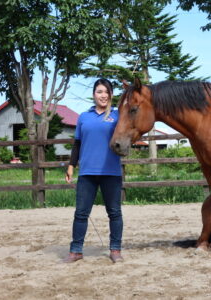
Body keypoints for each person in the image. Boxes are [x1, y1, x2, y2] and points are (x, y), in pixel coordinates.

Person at [64, 78, 124, 263]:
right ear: (93, 95)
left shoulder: (118, 116)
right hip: (87, 173)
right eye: (99, 91)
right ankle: (76, 251)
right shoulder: (84, 117)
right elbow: (77, 144)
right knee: (81, 213)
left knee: (114, 213)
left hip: (111, 172)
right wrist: (71, 166)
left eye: (106, 92)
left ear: (111, 95)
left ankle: (115, 250)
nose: (103, 95)